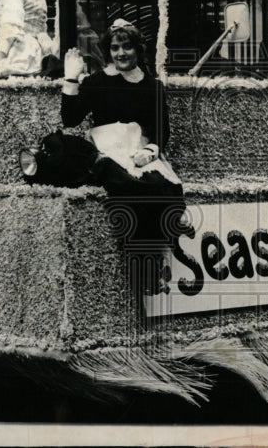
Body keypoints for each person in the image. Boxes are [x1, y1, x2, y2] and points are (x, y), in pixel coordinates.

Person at [61, 18, 184, 297]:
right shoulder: (97, 82)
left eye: (127, 47)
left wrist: (150, 151)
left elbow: (162, 128)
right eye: (115, 48)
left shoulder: (152, 86)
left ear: (137, 49)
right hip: (107, 152)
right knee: (129, 188)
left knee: (163, 190)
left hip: (139, 153)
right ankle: (139, 268)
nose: (121, 54)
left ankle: (152, 264)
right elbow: (69, 120)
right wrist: (71, 79)